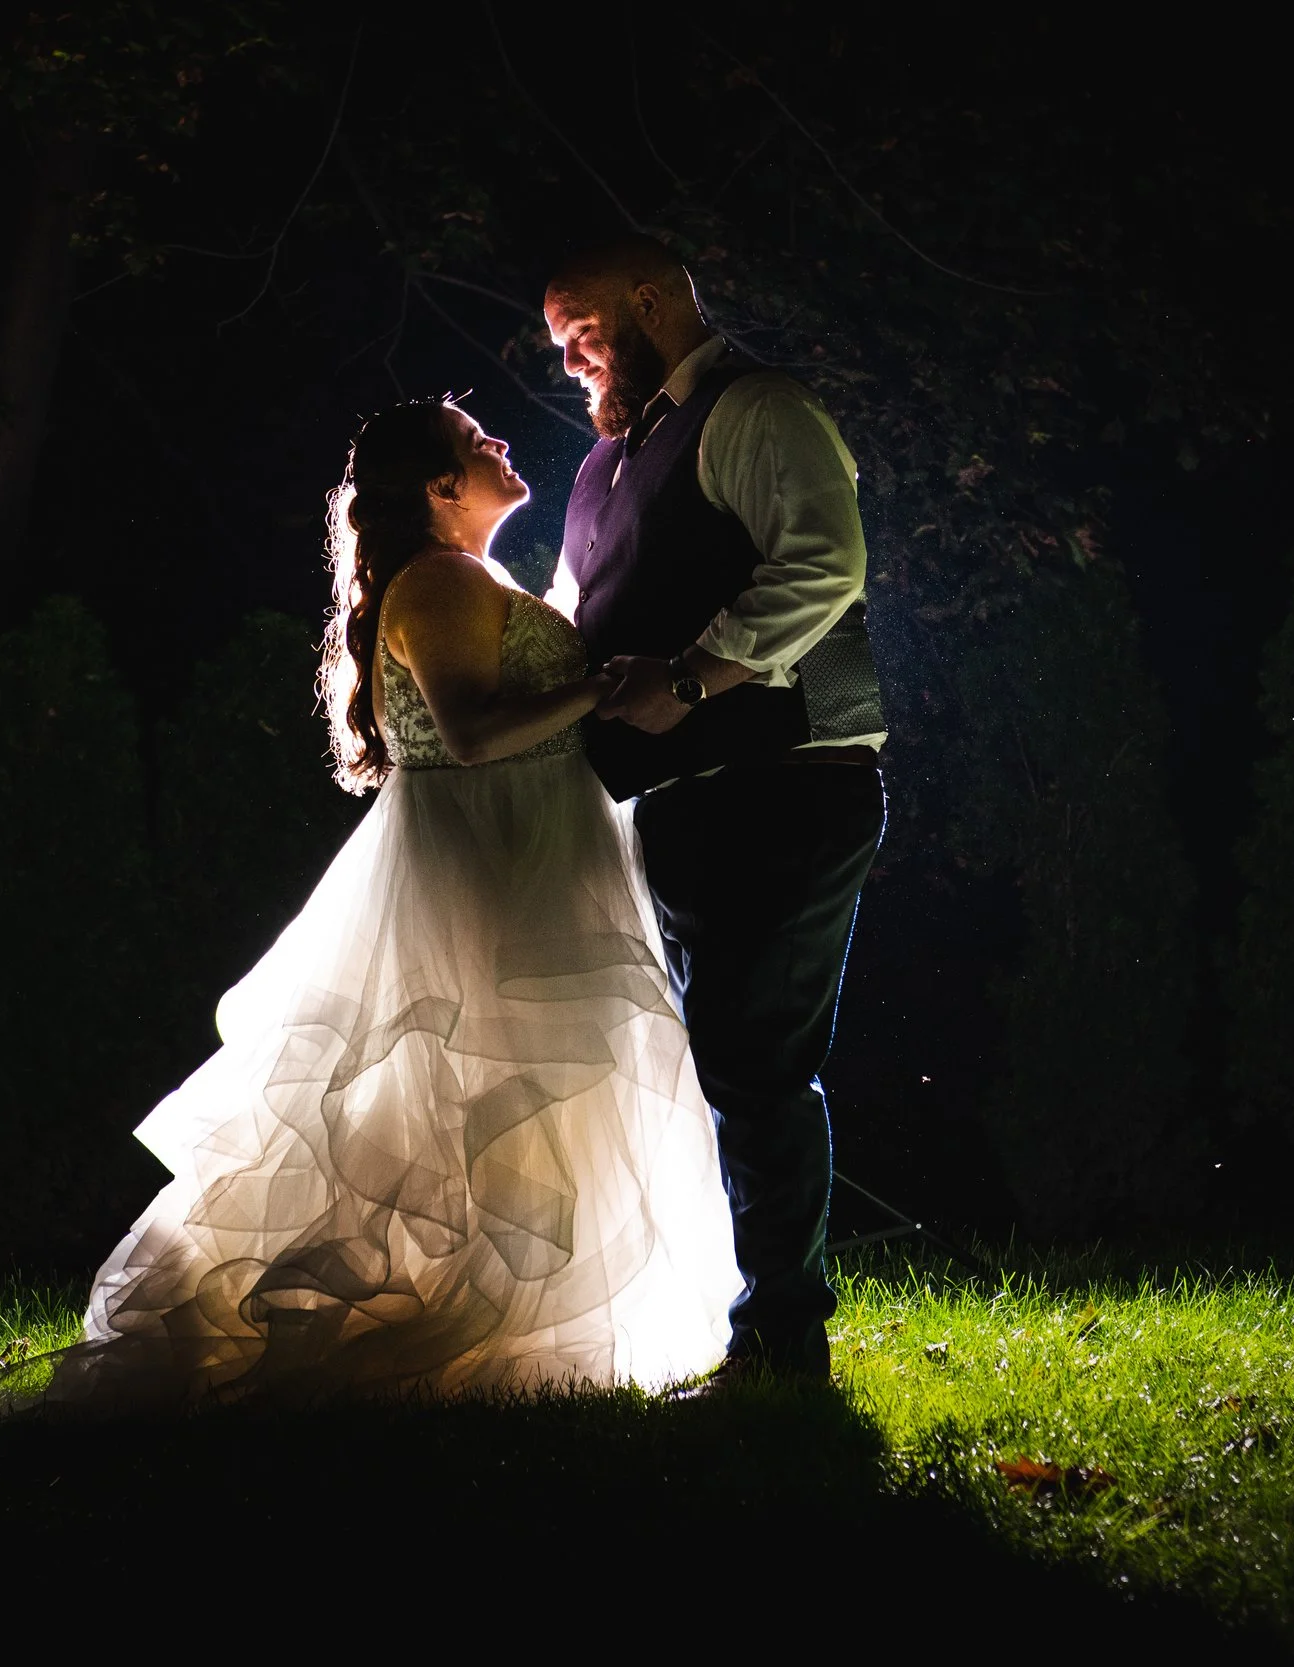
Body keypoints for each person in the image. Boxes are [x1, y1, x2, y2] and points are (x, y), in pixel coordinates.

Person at [0, 398, 738, 1420]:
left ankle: (528, 1333)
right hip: (495, 858)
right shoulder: (442, 581)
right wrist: (600, 690)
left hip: (528, 847)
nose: (497, 444)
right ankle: (439, 1328)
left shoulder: (467, 576)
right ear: (439, 488)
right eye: (473, 442)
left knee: (515, 1101)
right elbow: (468, 732)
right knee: (487, 1095)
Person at [544, 236, 888, 1385]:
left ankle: (785, 1339)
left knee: (754, 1061)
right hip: (673, 807)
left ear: (652, 301)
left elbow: (824, 563)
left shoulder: (759, 409)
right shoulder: (600, 470)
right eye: (558, 347)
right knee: (722, 1064)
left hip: (790, 783)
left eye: (584, 330)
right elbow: (571, 619)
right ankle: (754, 1321)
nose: (572, 360)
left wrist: (689, 676)